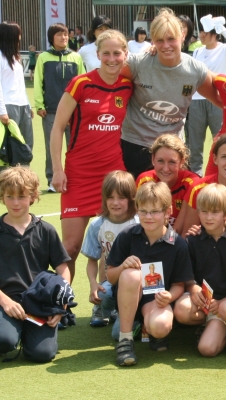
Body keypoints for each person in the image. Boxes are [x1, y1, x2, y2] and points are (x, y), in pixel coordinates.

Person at [50, 30, 133, 281]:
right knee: (71, 248)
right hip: (78, 175)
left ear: (125, 55)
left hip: (112, 177)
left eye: (116, 53)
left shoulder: (128, 85)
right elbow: (57, 127)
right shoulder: (81, 83)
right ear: (97, 54)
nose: (111, 58)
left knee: (112, 245)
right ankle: (59, 302)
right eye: (105, 53)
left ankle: (104, 304)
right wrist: (57, 169)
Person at [119, 8, 219, 178]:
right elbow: (104, 79)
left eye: (171, 39)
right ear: (152, 41)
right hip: (135, 145)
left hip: (172, 150)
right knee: (135, 202)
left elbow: (223, 100)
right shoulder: (137, 63)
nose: (166, 46)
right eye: (159, 40)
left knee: (173, 203)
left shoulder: (195, 70)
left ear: (182, 35)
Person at [106, 181, 194, 366]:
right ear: (136, 210)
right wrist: (123, 266)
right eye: (143, 211)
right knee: (131, 275)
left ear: (167, 212)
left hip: (155, 299)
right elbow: (111, 277)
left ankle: (149, 329)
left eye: (155, 211)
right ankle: (126, 340)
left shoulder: (177, 244)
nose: (148, 217)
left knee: (160, 327)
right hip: (128, 295)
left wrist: (169, 296)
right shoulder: (127, 235)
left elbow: (180, 284)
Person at [0, 167, 71, 362]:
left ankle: (25, 333)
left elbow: (63, 268)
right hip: (4, 300)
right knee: (4, 340)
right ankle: (10, 331)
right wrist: (5, 302)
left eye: (22, 196)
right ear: (2, 196)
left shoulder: (45, 230)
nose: (15, 202)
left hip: (38, 301)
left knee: (43, 354)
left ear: (32, 196)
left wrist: (60, 304)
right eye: (10, 196)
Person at [174, 183, 226, 357]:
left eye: (215, 212)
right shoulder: (192, 239)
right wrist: (193, 288)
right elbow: (186, 275)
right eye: (204, 211)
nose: (208, 217)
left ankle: (224, 331)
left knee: (207, 349)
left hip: (224, 305)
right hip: (201, 302)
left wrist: (221, 303)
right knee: (181, 310)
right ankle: (205, 325)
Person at [81, 171, 138, 327]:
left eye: (121, 197)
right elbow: (92, 260)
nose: (115, 203)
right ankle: (101, 308)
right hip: (111, 279)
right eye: (110, 197)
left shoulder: (139, 223)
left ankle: (124, 312)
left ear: (131, 198)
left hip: (135, 281)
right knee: (102, 293)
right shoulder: (97, 225)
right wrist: (93, 283)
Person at [186, 14, 226, 175]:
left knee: (221, 139)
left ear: (214, 33)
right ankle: (195, 174)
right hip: (196, 100)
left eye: (205, 32)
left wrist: (222, 28)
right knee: (195, 142)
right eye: (200, 32)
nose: (201, 35)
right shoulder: (197, 51)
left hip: (219, 100)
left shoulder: (225, 49)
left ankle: (219, 174)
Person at [34, 23, 85, 191]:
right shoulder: (43, 57)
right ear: (51, 38)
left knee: (74, 147)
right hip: (50, 111)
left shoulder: (76, 57)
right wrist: (39, 104)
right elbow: (38, 82)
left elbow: (83, 84)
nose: (64, 37)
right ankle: (51, 179)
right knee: (51, 147)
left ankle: (74, 177)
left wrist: (81, 107)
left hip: (73, 112)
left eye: (65, 35)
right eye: (59, 35)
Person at [136, 134, 202, 235]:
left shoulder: (192, 184)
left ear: (182, 161)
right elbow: (138, 223)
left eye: (172, 162)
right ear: (153, 159)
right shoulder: (144, 181)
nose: (166, 169)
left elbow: (187, 233)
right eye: (160, 161)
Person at [0, 22, 34, 153]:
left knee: (26, 144)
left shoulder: (15, 58)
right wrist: (2, 111)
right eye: (18, 34)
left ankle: (23, 173)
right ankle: (7, 174)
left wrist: (28, 105)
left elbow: (20, 84)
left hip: (22, 105)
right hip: (8, 105)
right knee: (10, 146)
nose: (20, 37)